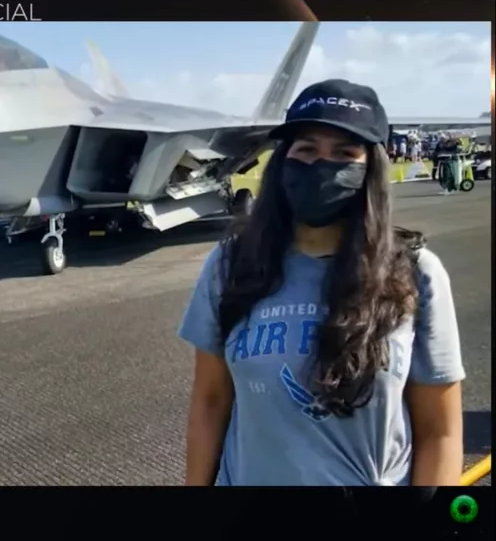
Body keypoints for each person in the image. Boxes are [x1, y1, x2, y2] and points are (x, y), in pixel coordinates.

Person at [179, 79, 465, 486]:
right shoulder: (231, 265)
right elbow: (210, 402)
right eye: (306, 149)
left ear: (372, 168)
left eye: (345, 153)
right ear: (282, 161)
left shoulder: (415, 274)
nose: (321, 166)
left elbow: (441, 430)